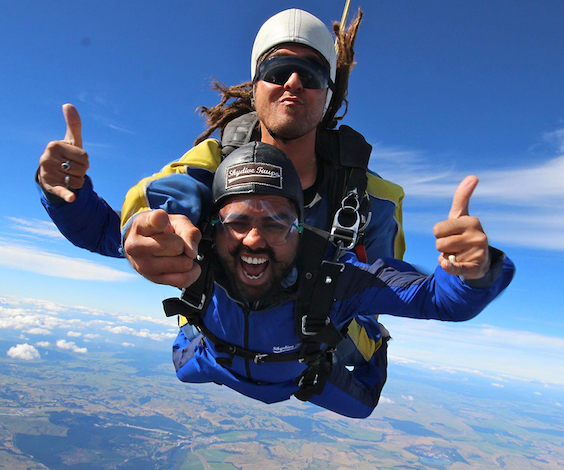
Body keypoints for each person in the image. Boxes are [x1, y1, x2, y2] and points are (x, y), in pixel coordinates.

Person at [37, 9, 405, 383]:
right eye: (277, 71)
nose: (293, 82)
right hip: (214, 353)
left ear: (326, 93)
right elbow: (108, 233)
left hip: (305, 369)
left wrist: (462, 275)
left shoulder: (367, 202)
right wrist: (67, 194)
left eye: (311, 75)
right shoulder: (209, 171)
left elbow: (387, 295)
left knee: (362, 392)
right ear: (257, 84)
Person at [162, 141, 514, 419]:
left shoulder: (334, 277)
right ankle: (191, 325)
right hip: (213, 358)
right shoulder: (195, 253)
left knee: (363, 406)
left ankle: (373, 338)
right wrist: (137, 228)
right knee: (180, 369)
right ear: (212, 228)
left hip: (304, 376)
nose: (254, 239)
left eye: (276, 223)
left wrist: (470, 274)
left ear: (300, 230)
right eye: (237, 222)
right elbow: (111, 235)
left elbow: (436, 300)